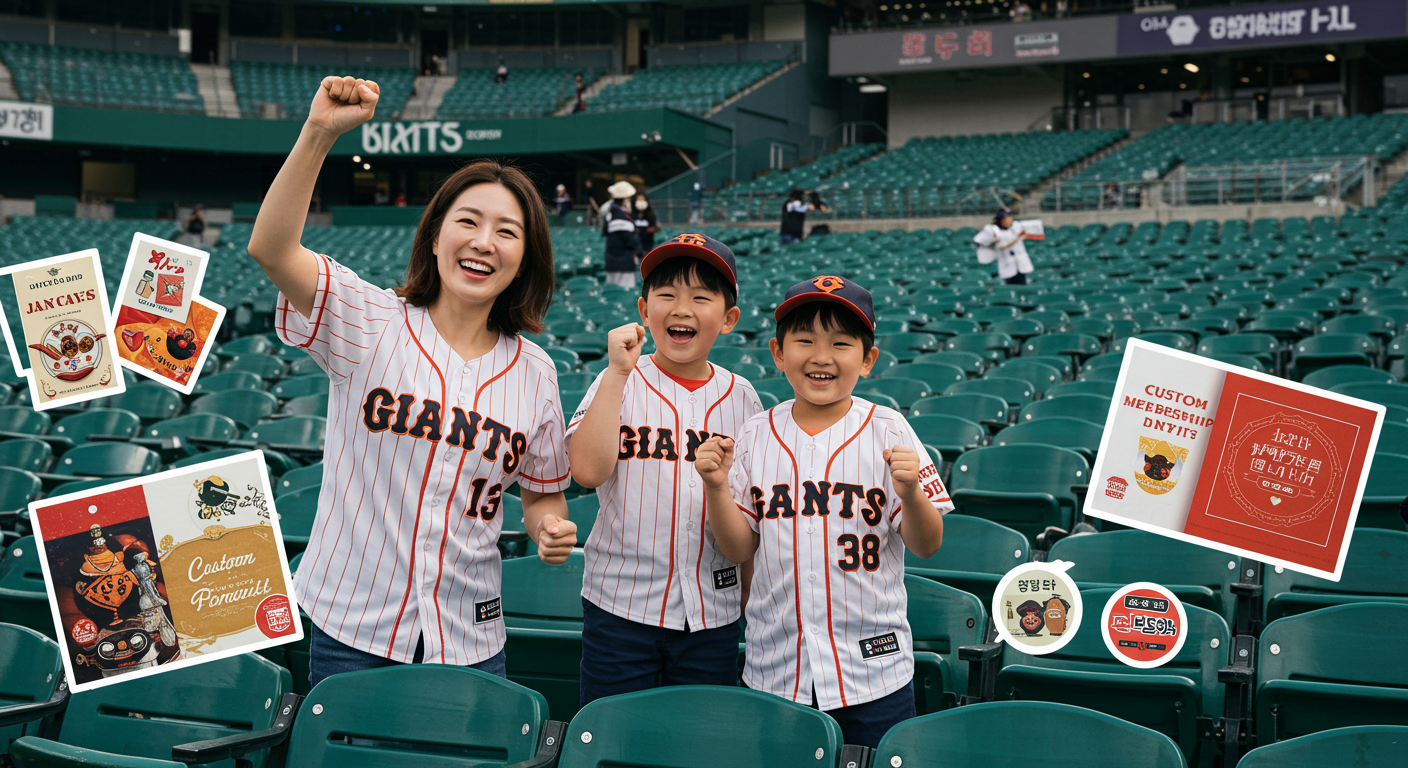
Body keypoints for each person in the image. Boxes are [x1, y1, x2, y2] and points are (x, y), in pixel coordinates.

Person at [247, 75, 578, 689]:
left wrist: (548, 528)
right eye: (468, 221)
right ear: (434, 234)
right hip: (352, 625)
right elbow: (271, 248)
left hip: (470, 634)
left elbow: (541, 495)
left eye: (507, 231)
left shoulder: (536, 371)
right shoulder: (368, 319)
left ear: (526, 258)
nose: (484, 242)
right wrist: (318, 133)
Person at [694, 275, 950, 749]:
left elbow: (928, 544)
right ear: (778, 352)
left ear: (868, 359)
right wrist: (715, 487)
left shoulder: (890, 429)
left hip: (873, 671)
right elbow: (737, 548)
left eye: (840, 343)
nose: (821, 356)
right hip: (776, 668)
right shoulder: (755, 433)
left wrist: (912, 493)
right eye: (805, 340)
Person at [567, 233, 763, 708]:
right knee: (613, 732)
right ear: (644, 308)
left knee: (700, 735)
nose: (682, 308)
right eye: (667, 294)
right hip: (619, 607)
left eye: (701, 297)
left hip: (712, 612)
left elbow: (750, 518)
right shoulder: (618, 379)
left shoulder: (744, 398)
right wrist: (616, 373)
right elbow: (587, 472)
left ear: (729, 318)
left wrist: (749, 605)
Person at [973, 208, 1034, 285]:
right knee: (1010, 285)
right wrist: (1018, 238)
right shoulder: (994, 230)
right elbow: (1001, 246)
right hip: (1007, 265)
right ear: (1001, 220)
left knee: (1022, 284)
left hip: (1020, 264)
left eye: (1010, 218)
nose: (1010, 220)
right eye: (1006, 219)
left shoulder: (1015, 227)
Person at [602, 180, 641, 289]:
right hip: (622, 263)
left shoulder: (612, 213)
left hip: (614, 261)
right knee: (623, 291)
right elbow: (630, 240)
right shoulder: (619, 217)